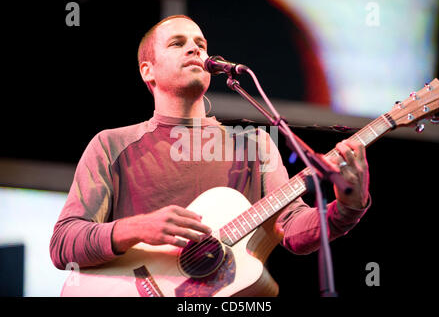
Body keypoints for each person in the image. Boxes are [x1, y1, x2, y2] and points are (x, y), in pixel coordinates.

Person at [50, 15, 370, 282]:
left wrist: (346, 208)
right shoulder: (111, 144)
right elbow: (64, 244)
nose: (194, 48)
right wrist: (137, 227)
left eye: (200, 44)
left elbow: (293, 231)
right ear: (148, 70)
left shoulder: (254, 144)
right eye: (178, 43)